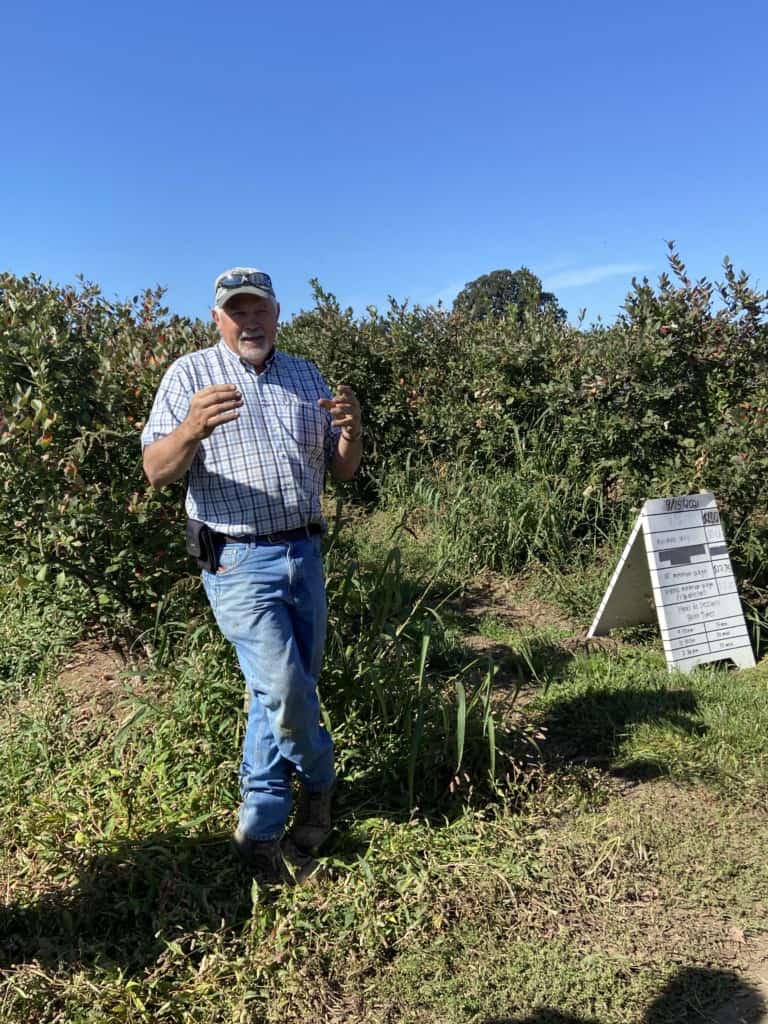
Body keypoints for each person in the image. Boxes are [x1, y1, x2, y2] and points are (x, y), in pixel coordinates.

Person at [141, 267, 362, 881]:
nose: (249, 322)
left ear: (276, 313)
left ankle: (260, 827)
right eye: (236, 312)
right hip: (237, 560)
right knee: (287, 691)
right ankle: (320, 783)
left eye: (258, 309)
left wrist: (353, 431)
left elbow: (341, 470)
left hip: (304, 553)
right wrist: (190, 429)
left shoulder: (304, 374)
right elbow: (156, 471)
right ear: (218, 320)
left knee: (276, 695)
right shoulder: (189, 376)